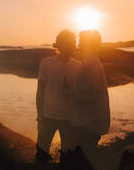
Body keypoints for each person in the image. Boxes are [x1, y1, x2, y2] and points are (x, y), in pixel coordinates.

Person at [36, 30, 81, 164]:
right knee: (41, 156)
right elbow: (40, 92)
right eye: (72, 42)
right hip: (48, 117)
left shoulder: (78, 65)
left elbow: (78, 95)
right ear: (62, 44)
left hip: (69, 119)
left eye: (75, 42)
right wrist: (40, 117)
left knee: (67, 158)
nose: (74, 45)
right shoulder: (46, 63)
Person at [72, 29, 110, 169]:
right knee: (83, 160)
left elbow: (88, 94)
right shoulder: (89, 62)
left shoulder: (92, 64)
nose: (78, 45)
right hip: (89, 122)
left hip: (90, 124)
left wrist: (70, 92)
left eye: (81, 41)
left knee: (82, 162)